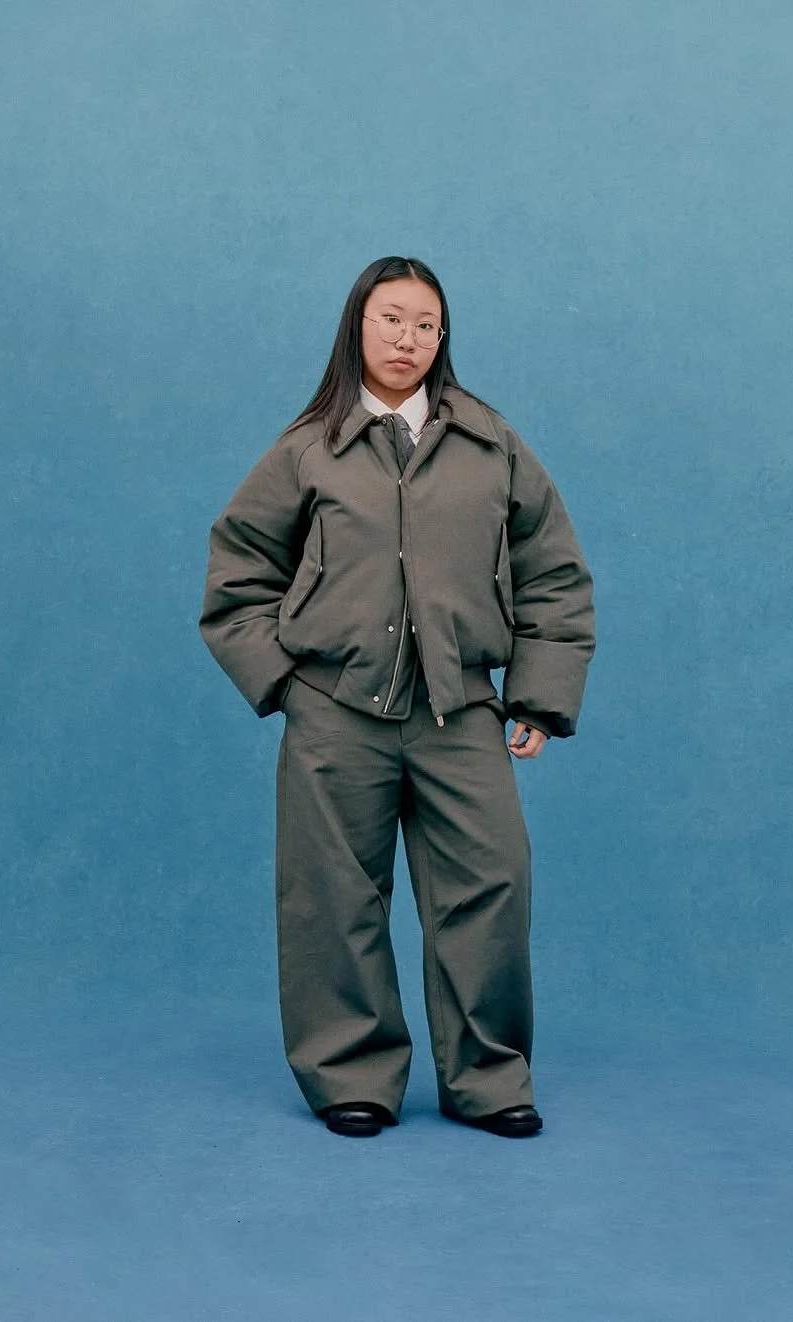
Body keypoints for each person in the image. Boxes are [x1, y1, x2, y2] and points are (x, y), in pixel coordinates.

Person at [200, 256, 595, 1138]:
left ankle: (489, 1078)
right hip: (337, 715)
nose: (407, 338)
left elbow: (553, 574)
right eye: (390, 319)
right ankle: (352, 1075)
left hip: (461, 711)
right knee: (332, 898)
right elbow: (237, 574)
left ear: (442, 337)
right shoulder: (309, 448)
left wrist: (538, 697)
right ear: (357, 326)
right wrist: (286, 685)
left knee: (491, 885)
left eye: (425, 323)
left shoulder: (492, 445)